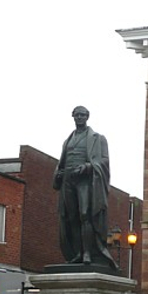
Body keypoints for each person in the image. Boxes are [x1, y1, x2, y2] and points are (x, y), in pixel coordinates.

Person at [53, 106, 117, 270]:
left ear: (87, 117)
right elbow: (62, 161)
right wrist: (59, 173)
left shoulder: (98, 138)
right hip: (68, 179)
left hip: (85, 181)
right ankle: (78, 253)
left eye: (82, 115)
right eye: (77, 115)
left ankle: (88, 252)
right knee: (71, 217)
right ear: (73, 117)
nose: (80, 117)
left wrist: (88, 167)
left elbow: (104, 161)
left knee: (84, 215)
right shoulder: (67, 141)